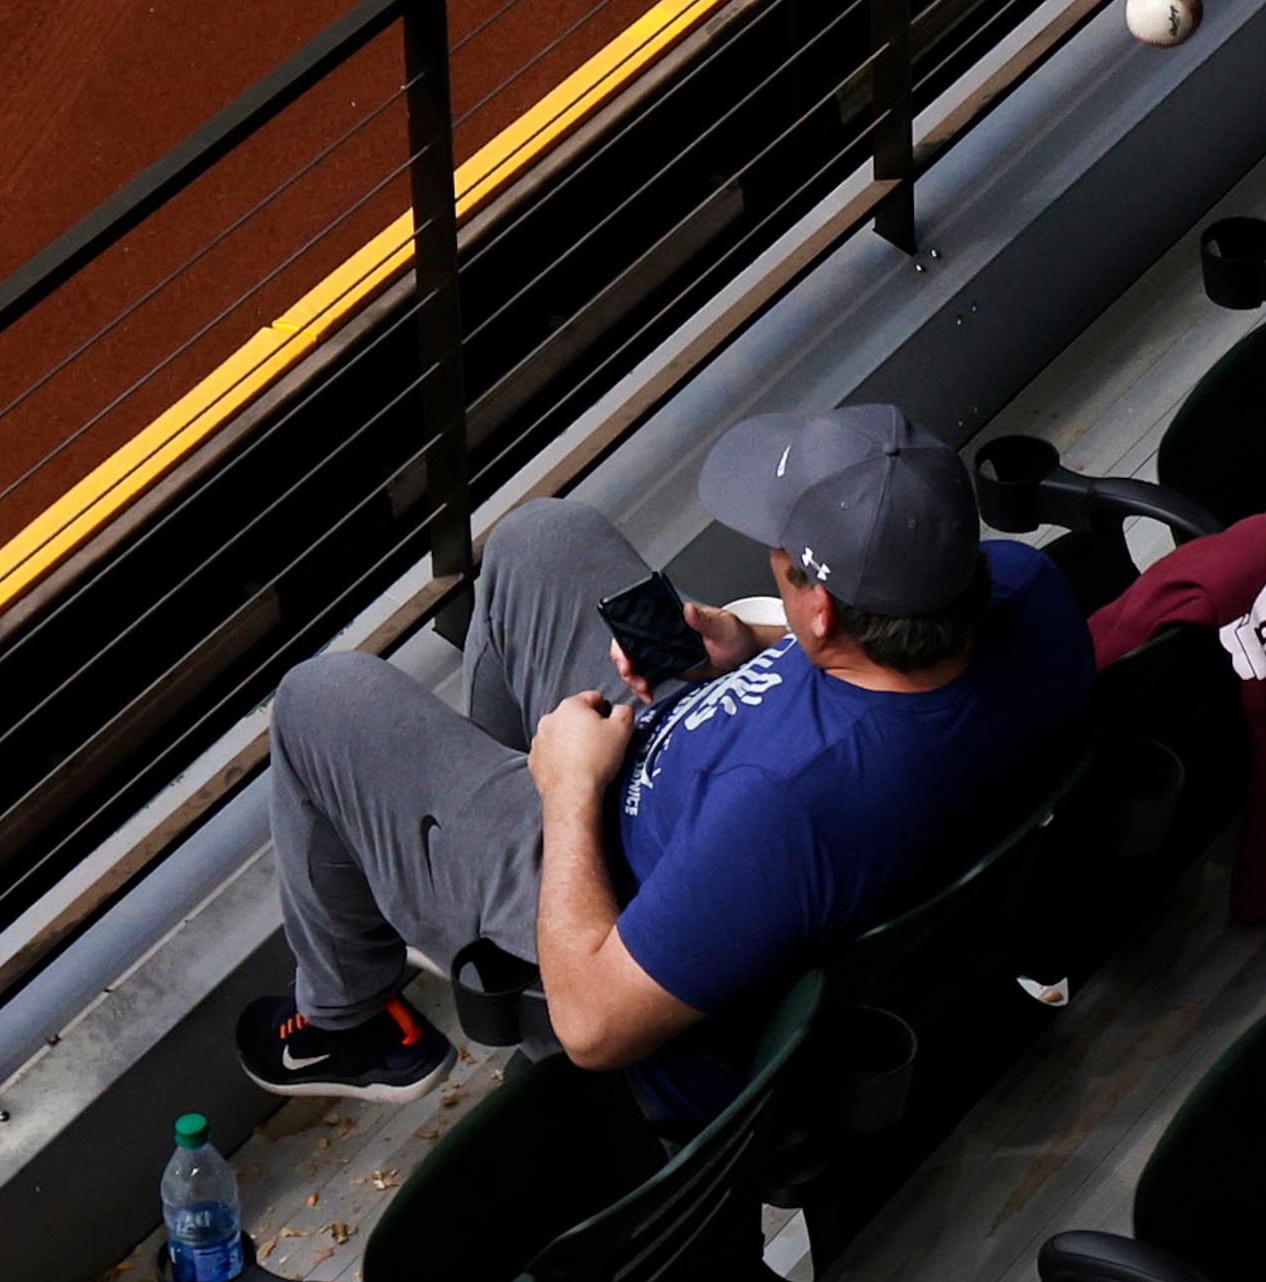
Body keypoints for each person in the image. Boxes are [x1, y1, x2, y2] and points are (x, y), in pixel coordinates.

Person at [235, 404, 1094, 1123]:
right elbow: (873, 682)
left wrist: (567, 790)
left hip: (608, 886)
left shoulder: (788, 809)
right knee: (545, 537)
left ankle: (349, 1020)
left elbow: (593, 1026)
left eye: (784, 569)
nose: (773, 560)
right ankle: (462, 894)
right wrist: (755, 641)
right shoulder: (1024, 586)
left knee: (322, 698)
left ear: (825, 611)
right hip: (696, 771)